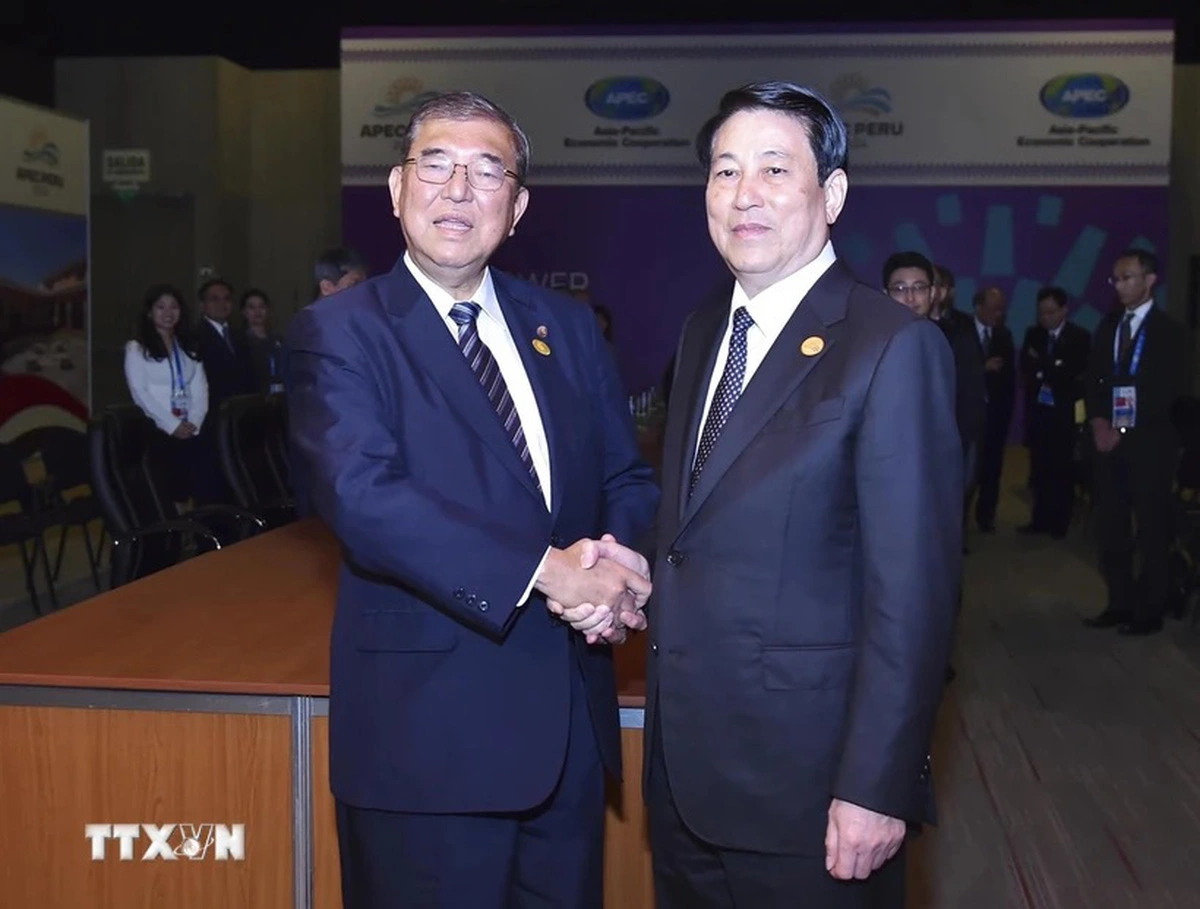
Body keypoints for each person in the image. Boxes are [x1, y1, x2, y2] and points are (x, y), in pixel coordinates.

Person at [285, 90, 660, 908]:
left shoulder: (563, 325)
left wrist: (616, 570)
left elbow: (626, 477)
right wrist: (555, 575)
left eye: (488, 172)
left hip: (564, 737)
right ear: (396, 189)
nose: (460, 190)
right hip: (427, 747)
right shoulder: (342, 331)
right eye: (437, 164)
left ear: (517, 207)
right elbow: (363, 495)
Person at [641, 81, 961, 909]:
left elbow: (913, 596)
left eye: (775, 169)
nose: (743, 194)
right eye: (723, 171)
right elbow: (698, 527)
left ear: (834, 193)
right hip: (686, 780)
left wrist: (877, 783)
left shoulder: (893, 348)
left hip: (811, 794)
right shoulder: (705, 329)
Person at [1083, 249, 1186, 636]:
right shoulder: (1108, 326)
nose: (1121, 285)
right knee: (1111, 527)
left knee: (1151, 528)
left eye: (1128, 277)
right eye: (1115, 279)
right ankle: (1119, 602)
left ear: (1150, 279)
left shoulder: (1168, 332)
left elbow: (1165, 391)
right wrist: (1098, 422)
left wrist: (1121, 428)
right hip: (1107, 445)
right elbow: (1093, 378)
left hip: (1149, 446)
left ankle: (1148, 610)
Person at [123, 283, 209, 506]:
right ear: (150, 312)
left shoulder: (188, 346)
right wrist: (171, 425)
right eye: (161, 307)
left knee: (193, 495)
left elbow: (200, 388)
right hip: (156, 434)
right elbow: (140, 393)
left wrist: (194, 422)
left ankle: (193, 538)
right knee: (164, 500)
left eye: (174, 307)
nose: (168, 313)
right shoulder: (137, 348)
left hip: (190, 431)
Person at [1018, 286, 1090, 537]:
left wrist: (1046, 366)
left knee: (1062, 470)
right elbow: (1028, 368)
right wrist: (1051, 367)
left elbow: (1070, 374)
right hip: (1039, 413)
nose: (1046, 317)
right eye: (1041, 313)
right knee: (1040, 469)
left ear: (1063, 310)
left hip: (1065, 415)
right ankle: (1039, 520)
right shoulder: (1033, 334)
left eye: (1051, 312)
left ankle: (1060, 523)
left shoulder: (1079, 336)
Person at [239, 287, 286, 395]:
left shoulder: (278, 340)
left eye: (261, 307)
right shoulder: (240, 341)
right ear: (244, 312)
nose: (257, 311)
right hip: (254, 397)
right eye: (252, 307)